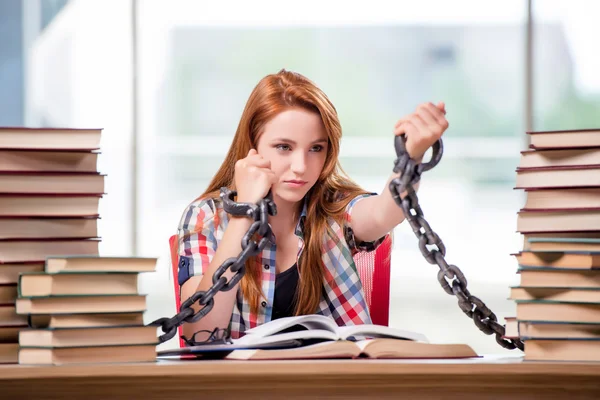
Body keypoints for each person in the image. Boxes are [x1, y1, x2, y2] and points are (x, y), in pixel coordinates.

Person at [176, 69, 449, 341]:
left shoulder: (334, 209)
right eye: (284, 147)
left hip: (329, 381)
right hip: (241, 384)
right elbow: (199, 335)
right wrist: (244, 211)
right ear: (252, 145)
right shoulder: (204, 217)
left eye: (316, 148)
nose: (301, 167)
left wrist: (411, 156)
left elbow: (382, 214)